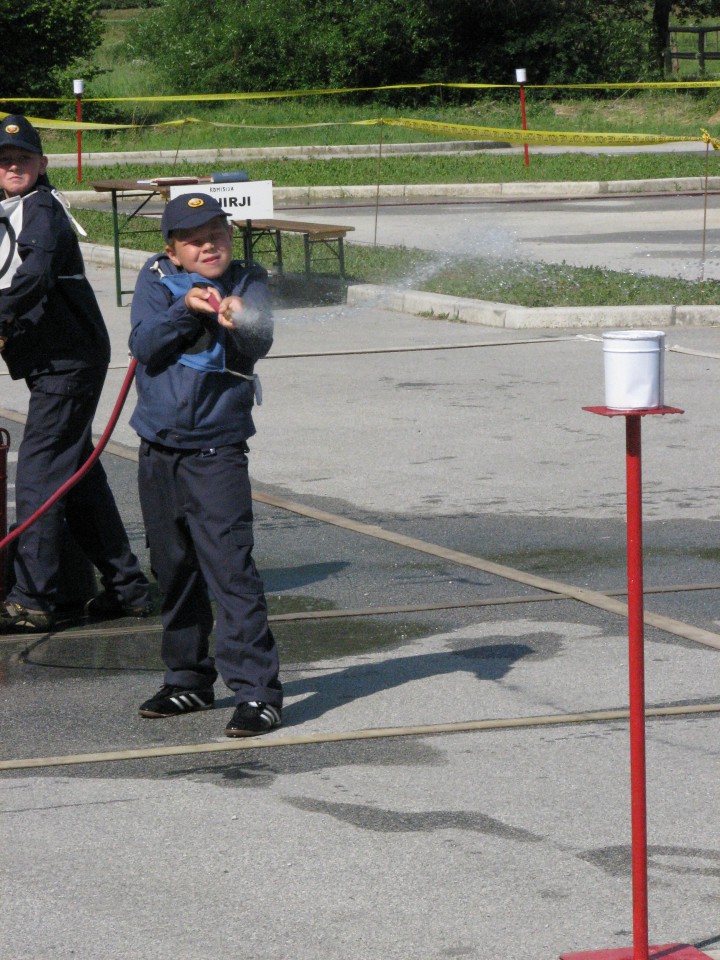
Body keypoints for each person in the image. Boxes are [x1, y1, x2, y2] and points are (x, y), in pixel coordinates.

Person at [129, 192, 282, 737]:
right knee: (172, 568)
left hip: (216, 451)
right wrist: (183, 309)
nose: (208, 246)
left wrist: (242, 321)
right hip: (158, 448)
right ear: (173, 251)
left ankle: (258, 692)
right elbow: (144, 345)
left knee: (230, 570)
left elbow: (259, 342)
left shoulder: (248, 278)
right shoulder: (154, 278)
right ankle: (188, 679)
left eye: (216, 234)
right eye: (194, 240)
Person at [0, 114, 151, 632]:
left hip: (69, 363)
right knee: (77, 475)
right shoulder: (10, 210)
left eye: (23, 159)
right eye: (4, 160)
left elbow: (35, 276)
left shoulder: (40, 211)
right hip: (53, 363)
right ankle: (128, 587)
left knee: (40, 473)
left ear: (42, 164)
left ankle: (32, 599)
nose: (13, 166)